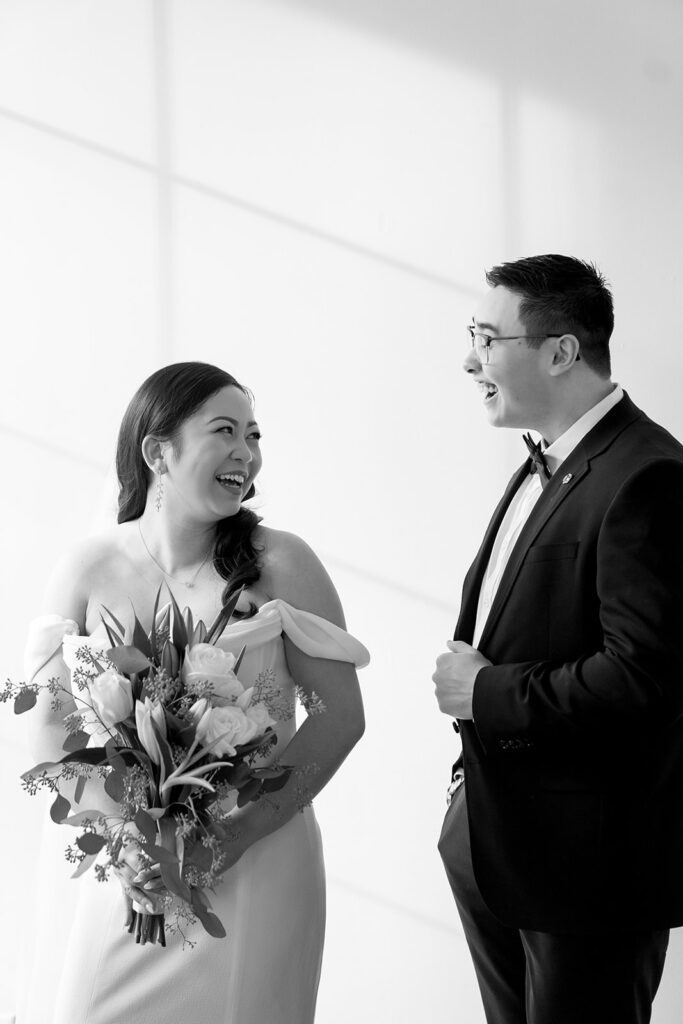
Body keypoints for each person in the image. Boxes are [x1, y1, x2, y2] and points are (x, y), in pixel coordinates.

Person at [20, 361, 368, 1024]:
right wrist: (126, 841)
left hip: (256, 860)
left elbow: (339, 718)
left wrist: (232, 837)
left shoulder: (283, 562)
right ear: (158, 451)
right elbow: (48, 726)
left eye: (254, 435)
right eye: (225, 431)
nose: (247, 453)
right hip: (132, 870)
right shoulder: (88, 567)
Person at [433, 255, 683, 1024]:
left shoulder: (647, 475)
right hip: (493, 840)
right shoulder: (541, 464)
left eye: (486, 336)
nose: (469, 359)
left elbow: (642, 678)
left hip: (587, 869)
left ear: (560, 351)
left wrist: (485, 693)